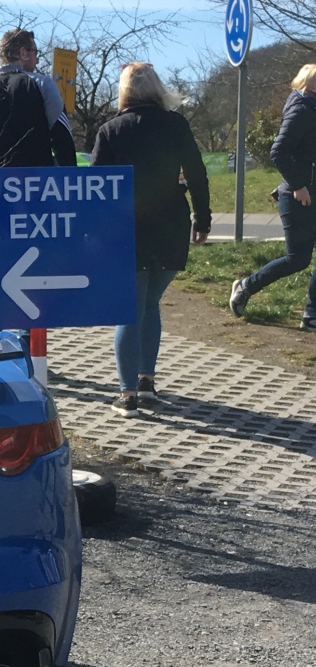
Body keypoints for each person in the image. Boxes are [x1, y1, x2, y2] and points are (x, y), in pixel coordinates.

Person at [92, 62, 210, 416]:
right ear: (157, 88)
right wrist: (201, 218)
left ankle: (127, 394)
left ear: (123, 90)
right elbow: (197, 173)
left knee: (130, 309)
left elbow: (97, 187)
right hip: (171, 224)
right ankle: (147, 381)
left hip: (128, 229)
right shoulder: (176, 124)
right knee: (151, 304)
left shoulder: (110, 130)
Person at [229, 64, 316, 332]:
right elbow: (278, 151)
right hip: (298, 196)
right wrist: (298, 185)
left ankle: (311, 315)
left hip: (310, 193)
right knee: (297, 259)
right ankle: (245, 287)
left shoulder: (310, 108)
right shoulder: (301, 111)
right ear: (311, 85)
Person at [0, 28, 77, 169]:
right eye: (35, 53)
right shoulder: (43, 85)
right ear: (23, 53)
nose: (37, 60)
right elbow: (63, 140)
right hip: (40, 182)